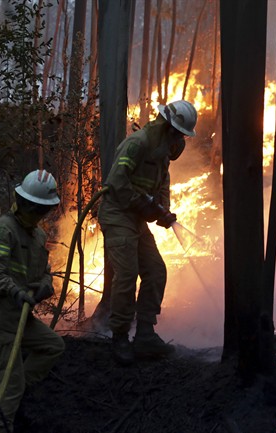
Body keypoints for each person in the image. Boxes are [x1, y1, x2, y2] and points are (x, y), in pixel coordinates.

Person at [98, 100, 198, 365]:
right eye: (177, 132)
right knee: (128, 273)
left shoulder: (163, 151)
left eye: (182, 135)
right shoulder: (138, 143)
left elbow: (162, 184)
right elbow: (117, 183)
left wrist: (163, 210)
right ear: (167, 126)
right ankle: (119, 336)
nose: (179, 140)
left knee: (155, 271)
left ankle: (144, 334)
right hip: (117, 214)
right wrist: (148, 206)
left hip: (137, 218)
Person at [0, 169, 65, 432]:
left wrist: (45, 286)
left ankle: (18, 387)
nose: (36, 214)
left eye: (41, 210)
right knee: (8, 387)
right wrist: (16, 292)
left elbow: (44, 273)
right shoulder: (2, 230)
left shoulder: (38, 237)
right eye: (33, 207)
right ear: (20, 201)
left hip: (19, 316)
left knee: (53, 346)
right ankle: (1, 421)